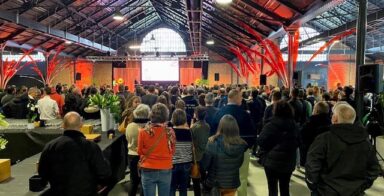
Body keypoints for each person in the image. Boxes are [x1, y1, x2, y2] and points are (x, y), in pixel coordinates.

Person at [306, 103, 381, 196]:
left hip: (325, 191)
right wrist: (361, 186)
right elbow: (374, 169)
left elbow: (312, 165)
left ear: (335, 119)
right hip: (355, 192)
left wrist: (314, 186)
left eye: (333, 115)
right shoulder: (365, 142)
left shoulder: (324, 139)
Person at [38, 112, 111, 195]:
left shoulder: (50, 146)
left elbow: (42, 173)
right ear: (81, 125)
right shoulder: (91, 147)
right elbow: (104, 173)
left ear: (63, 125)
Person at [212, 89, 255, 196]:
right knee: (242, 178)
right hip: (241, 151)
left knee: (221, 178)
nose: (242, 99)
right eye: (241, 97)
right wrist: (247, 147)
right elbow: (252, 133)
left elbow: (212, 132)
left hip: (221, 151)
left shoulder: (219, 112)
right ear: (236, 98)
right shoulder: (245, 114)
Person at [258, 100, 299, 196]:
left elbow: (261, 141)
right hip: (288, 161)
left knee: (272, 189)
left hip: (271, 161)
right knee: (285, 188)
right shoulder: (294, 126)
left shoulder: (271, 125)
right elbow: (299, 142)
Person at [201, 115, 248, 196]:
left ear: (220, 127)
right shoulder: (241, 144)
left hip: (215, 183)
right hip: (232, 183)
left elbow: (205, 165)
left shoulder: (212, 142)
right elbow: (239, 164)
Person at [137, 103, 176, 196]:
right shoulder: (170, 131)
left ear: (151, 115)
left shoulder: (143, 132)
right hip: (165, 168)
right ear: (166, 116)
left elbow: (139, 151)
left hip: (148, 168)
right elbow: (173, 151)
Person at [126, 104, 150, 196]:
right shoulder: (148, 128)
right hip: (144, 156)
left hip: (132, 155)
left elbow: (128, 139)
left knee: (133, 181)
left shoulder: (130, 126)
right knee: (144, 183)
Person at [300, 101, 331, 166]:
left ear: (316, 111)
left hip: (310, 152)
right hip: (325, 155)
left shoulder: (310, 123)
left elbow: (302, 136)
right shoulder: (330, 122)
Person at [170, 109, 193, 196]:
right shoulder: (189, 132)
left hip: (173, 163)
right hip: (186, 163)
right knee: (183, 188)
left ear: (173, 119)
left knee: (171, 187)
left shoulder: (170, 132)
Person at [190, 106, 210, 196]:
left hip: (196, 157)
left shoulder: (194, 127)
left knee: (196, 179)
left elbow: (192, 143)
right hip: (205, 155)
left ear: (196, 115)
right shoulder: (207, 126)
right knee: (204, 176)